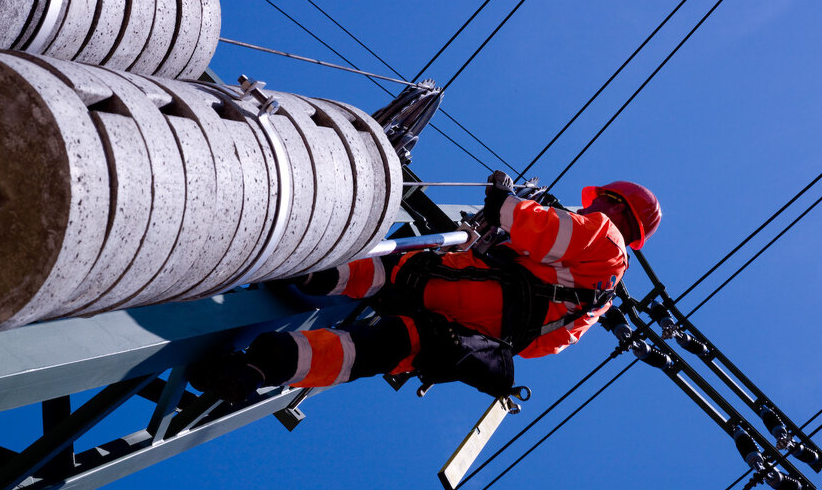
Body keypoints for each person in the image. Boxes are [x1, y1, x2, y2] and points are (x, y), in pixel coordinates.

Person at [188, 172, 661, 403]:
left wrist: (503, 204)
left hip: (473, 294)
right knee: (372, 350)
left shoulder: (608, 238)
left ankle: (304, 267)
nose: (593, 203)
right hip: (476, 339)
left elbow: (547, 230)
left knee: (397, 268)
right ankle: (256, 369)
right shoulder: (599, 299)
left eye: (601, 200)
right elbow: (546, 346)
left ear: (619, 209)